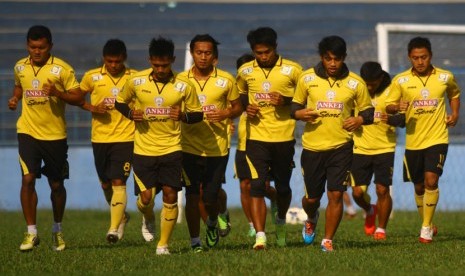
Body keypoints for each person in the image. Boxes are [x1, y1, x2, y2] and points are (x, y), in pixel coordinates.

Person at [115, 36, 203, 255]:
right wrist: (130, 113)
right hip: (143, 149)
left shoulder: (184, 85)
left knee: (170, 194)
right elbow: (119, 102)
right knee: (146, 199)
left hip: (172, 148)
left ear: (172, 60)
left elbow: (197, 115)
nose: (161, 69)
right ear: (150, 60)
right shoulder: (136, 81)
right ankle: (147, 217)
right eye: (156, 65)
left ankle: (163, 245)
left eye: (165, 65)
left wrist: (183, 116)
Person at [291, 35, 374, 252]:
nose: (333, 63)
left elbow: (368, 111)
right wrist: (300, 114)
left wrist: (359, 119)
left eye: (337, 59)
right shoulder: (306, 78)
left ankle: (327, 240)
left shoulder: (355, 82)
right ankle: (311, 217)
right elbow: (294, 108)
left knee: (336, 194)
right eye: (328, 59)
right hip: (312, 147)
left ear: (344, 58)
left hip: (342, 147)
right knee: (311, 199)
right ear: (322, 58)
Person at [8, 25, 84, 251]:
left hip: (55, 136)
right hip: (28, 132)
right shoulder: (20, 66)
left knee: (56, 185)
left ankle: (57, 230)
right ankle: (31, 232)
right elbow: (18, 87)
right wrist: (14, 99)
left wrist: (59, 94)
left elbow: (79, 96)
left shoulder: (61, 69)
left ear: (50, 46)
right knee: (28, 179)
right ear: (27, 46)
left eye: (41, 47)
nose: (37, 51)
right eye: (32, 47)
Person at [385, 37, 460, 243]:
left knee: (431, 180)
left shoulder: (445, 77)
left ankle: (425, 228)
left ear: (430, 56)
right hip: (413, 141)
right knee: (418, 187)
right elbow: (388, 105)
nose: (420, 61)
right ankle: (428, 222)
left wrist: (454, 114)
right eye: (416, 58)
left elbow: (454, 94)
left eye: (424, 57)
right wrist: (396, 107)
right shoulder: (401, 80)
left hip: (437, 138)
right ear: (410, 58)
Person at [237, 27, 302, 249]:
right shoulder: (245, 71)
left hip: (284, 137)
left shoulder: (293, 70)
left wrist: (285, 100)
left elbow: (306, 99)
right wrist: (248, 108)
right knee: (256, 185)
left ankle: (281, 224)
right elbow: (242, 93)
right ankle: (260, 236)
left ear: (275, 48)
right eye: (259, 53)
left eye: (267, 52)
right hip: (256, 137)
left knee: (282, 188)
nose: (263, 56)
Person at [180, 34, 242, 252]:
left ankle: (214, 222)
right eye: (199, 52)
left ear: (214, 56)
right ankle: (195, 242)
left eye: (207, 53)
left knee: (210, 197)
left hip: (217, 146)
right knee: (191, 195)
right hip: (187, 146)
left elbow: (238, 107)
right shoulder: (180, 80)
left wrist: (226, 113)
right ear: (192, 54)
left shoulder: (226, 80)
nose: (203, 57)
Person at [80, 39, 136, 243]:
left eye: (118, 61)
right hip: (100, 138)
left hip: (126, 137)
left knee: (118, 181)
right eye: (110, 61)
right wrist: (92, 107)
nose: (114, 65)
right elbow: (76, 97)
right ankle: (121, 215)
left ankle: (114, 228)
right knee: (106, 184)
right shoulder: (92, 77)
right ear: (104, 59)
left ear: (124, 59)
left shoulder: (135, 78)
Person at [351, 61, 405, 240]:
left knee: (382, 189)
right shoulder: (357, 91)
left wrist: (389, 118)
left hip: (385, 148)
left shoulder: (392, 92)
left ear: (381, 78)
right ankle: (369, 209)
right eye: (366, 82)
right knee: (357, 192)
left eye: (372, 83)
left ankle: (381, 228)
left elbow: (403, 120)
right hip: (360, 148)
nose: (369, 86)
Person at [234, 53, 278, 237]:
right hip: (243, 146)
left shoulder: (268, 88)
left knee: (263, 186)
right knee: (245, 186)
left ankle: (275, 200)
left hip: (263, 143)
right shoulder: (237, 90)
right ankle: (253, 224)